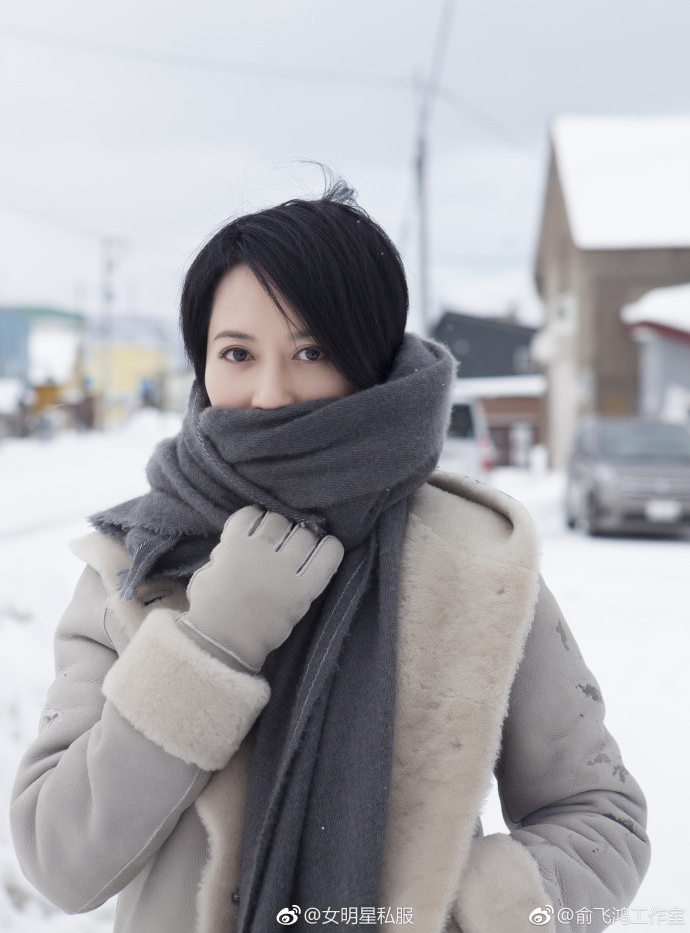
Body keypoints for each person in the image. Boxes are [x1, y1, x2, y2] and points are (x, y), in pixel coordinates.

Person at [10, 181, 650, 933]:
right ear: (202, 364)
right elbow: (61, 860)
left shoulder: (474, 561)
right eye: (237, 352)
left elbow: (602, 817)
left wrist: (452, 907)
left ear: (369, 358)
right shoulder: (134, 568)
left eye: (311, 350)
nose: (271, 392)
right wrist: (213, 638)